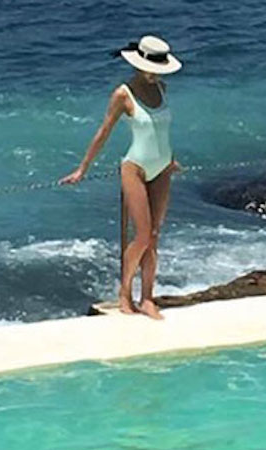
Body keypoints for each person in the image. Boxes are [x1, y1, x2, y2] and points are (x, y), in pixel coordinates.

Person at [60, 34, 182, 320]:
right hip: (135, 167)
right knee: (141, 235)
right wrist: (82, 168)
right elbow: (104, 132)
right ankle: (124, 292)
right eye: (154, 69)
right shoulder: (123, 94)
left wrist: (171, 158)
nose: (157, 75)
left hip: (163, 166)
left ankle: (148, 298)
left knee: (154, 237)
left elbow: (160, 130)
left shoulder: (162, 88)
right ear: (140, 65)